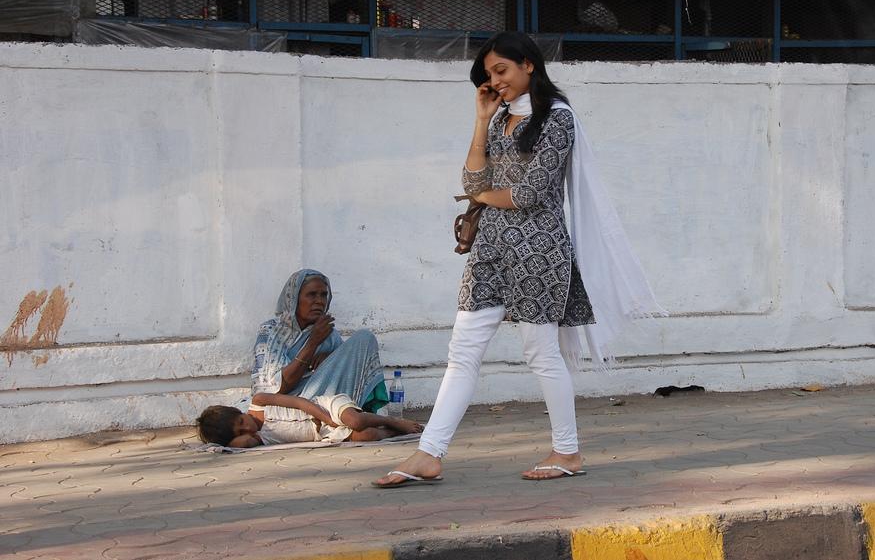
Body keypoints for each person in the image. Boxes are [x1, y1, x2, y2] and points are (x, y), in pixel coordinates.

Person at [374, 32, 662, 488]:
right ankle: (429, 454)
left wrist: (479, 194)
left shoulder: (558, 119)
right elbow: (472, 175)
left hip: (539, 251)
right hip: (489, 248)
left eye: (501, 71)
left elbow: (530, 195)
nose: (495, 81)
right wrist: (480, 120)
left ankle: (567, 450)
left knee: (540, 352)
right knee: (462, 350)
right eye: (488, 74)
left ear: (529, 65)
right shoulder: (499, 117)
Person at [251, 269, 389, 414]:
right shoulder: (271, 331)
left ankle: (348, 413)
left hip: (324, 399)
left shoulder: (327, 333)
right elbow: (275, 390)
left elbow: (345, 372)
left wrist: (329, 358)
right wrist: (312, 343)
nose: (319, 301)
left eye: (323, 295)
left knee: (364, 338)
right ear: (294, 300)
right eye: (311, 295)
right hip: (289, 404)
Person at [196, 392, 422, 448]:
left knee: (355, 422)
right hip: (323, 433)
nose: (247, 427)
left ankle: (393, 422)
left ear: (239, 411)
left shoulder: (259, 401)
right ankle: (392, 433)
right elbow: (237, 445)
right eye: (240, 432)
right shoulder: (256, 439)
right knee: (367, 436)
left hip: (325, 407)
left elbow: (299, 403)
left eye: (241, 421)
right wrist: (231, 439)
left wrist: (325, 417)